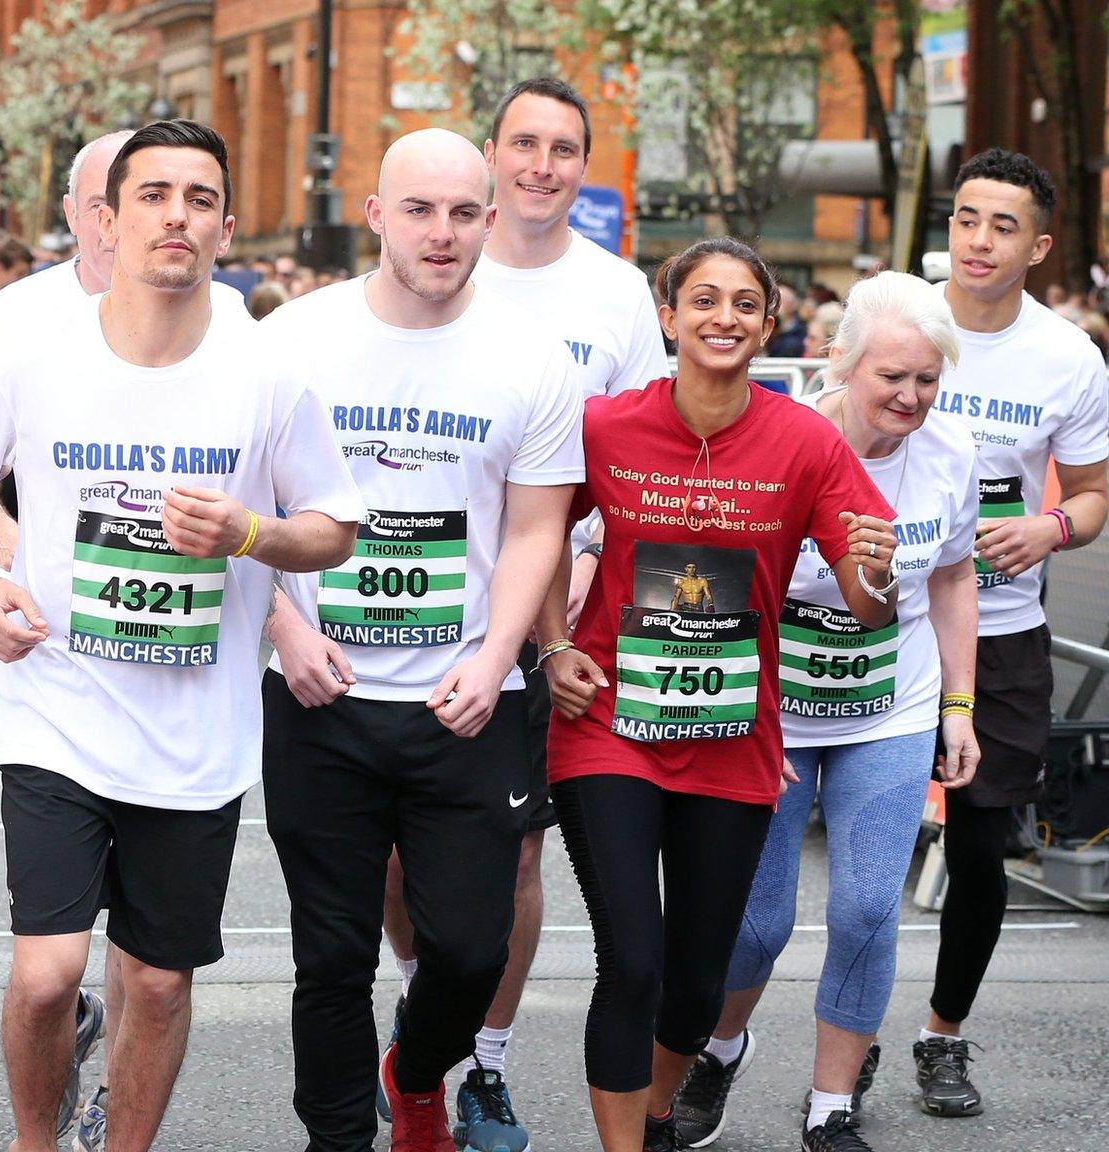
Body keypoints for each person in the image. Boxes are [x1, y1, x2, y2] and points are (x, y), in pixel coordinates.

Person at [0, 118, 360, 1152]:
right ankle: (36, 1143)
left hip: (192, 733)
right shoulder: (38, 352)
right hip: (56, 704)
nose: (176, 214)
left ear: (221, 226)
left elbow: (335, 528)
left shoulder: (265, 372)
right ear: (109, 221)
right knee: (46, 976)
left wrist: (247, 533)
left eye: (199, 198)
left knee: (159, 982)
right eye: (154, 195)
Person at [536, 237, 898, 1152]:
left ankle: (656, 1114)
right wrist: (549, 647)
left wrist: (875, 572)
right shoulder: (606, 425)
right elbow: (535, 530)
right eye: (702, 299)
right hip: (610, 723)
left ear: (769, 326)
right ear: (668, 318)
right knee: (634, 960)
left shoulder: (804, 439)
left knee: (697, 983)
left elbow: (867, 596)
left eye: (745, 304)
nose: (723, 317)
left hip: (733, 735)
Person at [363, 78, 670, 1148]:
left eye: (564, 148)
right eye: (523, 145)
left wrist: (592, 557)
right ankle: (428, 1022)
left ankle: (480, 1066)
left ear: (582, 165)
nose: (542, 165)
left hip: (564, 606)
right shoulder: (433, 256)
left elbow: (649, 448)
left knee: (520, 857)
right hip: (419, 607)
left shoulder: (616, 293)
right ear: (486, 162)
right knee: (404, 861)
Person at [261, 129, 581, 1152]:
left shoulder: (530, 360)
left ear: (488, 219)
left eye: (459, 213)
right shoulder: (293, 340)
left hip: (466, 699)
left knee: (468, 949)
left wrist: (494, 663)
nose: (438, 234)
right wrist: (279, 629)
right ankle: (338, 1138)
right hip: (319, 693)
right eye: (417, 210)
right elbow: (240, 510)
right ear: (374, 215)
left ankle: (414, 1065)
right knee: (329, 955)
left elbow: (536, 526)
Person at [674, 271, 983, 1152]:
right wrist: (736, 706)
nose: (911, 397)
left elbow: (955, 576)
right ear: (838, 362)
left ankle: (830, 1104)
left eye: (927, 379)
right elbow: (708, 584)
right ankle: (722, 1049)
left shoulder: (951, 454)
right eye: (892, 377)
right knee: (757, 923)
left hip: (889, 706)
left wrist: (957, 706)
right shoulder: (777, 443)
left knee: (867, 907)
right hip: (772, 716)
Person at [921, 148, 1107, 1116]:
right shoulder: (893, 317)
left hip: (1001, 631)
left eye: (1001, 226)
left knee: (980, 848)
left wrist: (1047, 527)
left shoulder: (1066, 358)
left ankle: (940, 1035)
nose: (976, 240)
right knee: (855, 863)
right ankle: (828, 1044)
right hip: (876, 625)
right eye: (963, 218)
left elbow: (1089, 497)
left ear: (1035, 246)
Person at [0, 130, 250, 341]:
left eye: (151, 199)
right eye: (99, 206)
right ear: (71, 213)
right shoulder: (12, 315)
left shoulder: (230, 317)